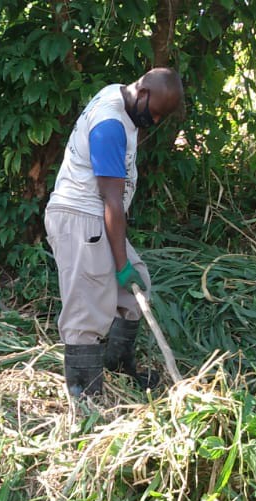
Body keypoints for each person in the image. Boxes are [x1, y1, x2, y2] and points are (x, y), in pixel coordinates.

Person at [45, 67, 184, 398]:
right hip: (80, 219)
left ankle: (118, 367)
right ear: (144, 93)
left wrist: (126, 268)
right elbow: (112, 202)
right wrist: (119, 263)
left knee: (137, 285)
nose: (157, 122)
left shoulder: (121, 97)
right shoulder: (109, 127)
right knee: (85, 311)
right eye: (156, 114)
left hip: (94, 216)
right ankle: (86, 399)